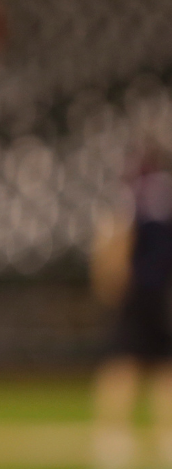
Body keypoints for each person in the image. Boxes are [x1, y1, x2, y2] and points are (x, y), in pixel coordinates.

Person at [91, 147, 172, 469]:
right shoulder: (150, 197)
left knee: (137, 363)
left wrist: (109, 280)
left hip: (146, 292)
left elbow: (116, 240)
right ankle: (115, 436)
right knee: (134, 363)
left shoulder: (140, 197)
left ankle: (116, 436)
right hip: (150, 292)